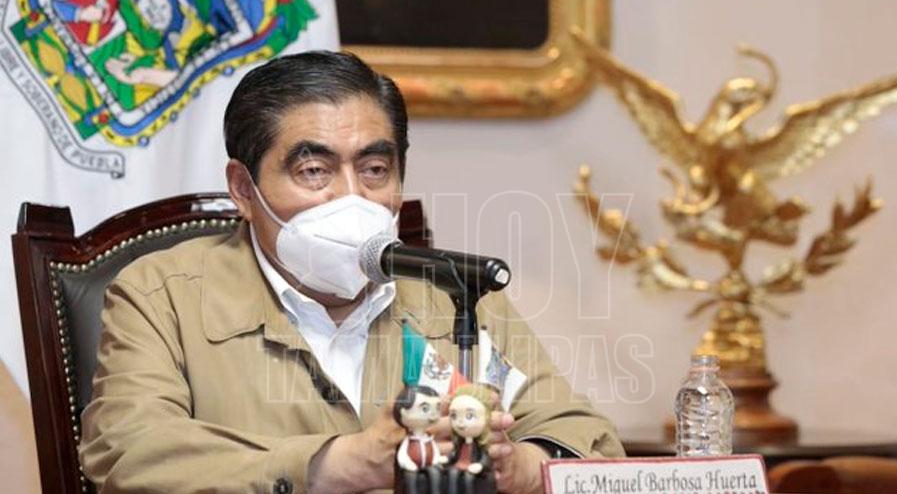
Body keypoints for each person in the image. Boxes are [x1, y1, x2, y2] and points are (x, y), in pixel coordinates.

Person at [79, 50, 624, 493]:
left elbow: (587, 439)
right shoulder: (160, 294)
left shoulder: (457, 293)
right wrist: (338, 464)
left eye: (375, 169)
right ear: (244, 190)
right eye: (314, 170)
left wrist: (517, 468)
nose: (351, 197)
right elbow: (128, 452)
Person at [393, 385, 445, 494]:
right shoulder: (408, 441)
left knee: (435, 474)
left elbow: (435, 451)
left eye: (437, 408)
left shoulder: (429, 439)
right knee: (410, 478)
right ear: (404, 412)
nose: (433, 414)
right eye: (425, 409)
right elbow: (402, 455)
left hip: (429, 466)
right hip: (412, 468)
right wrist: (407, 463)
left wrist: (436, 460)